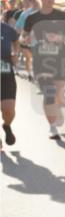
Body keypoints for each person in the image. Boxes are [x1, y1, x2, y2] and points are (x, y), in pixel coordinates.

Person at [23, 0, 65, 139]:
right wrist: (26, 39)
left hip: (60, 58)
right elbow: (23, 37)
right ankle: (52, 127)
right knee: (49, 92)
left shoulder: (62, 15)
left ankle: (57, 109)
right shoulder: (32, 18)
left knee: (58, 93)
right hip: (41, 59)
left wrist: (62, 38)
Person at [1, 18, 19, 147]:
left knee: (9, 111)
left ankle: (6, 125)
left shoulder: (7, 29)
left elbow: (16, 41)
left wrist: (15, 53)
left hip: (5, 72)